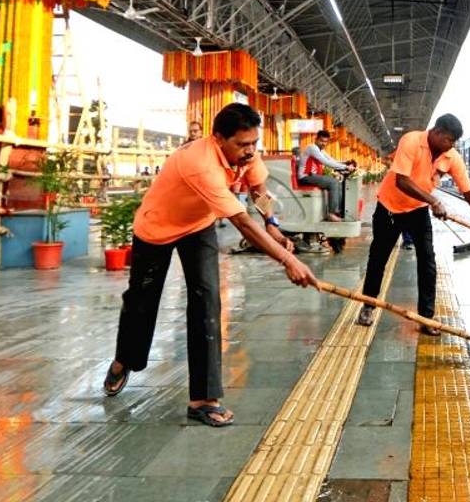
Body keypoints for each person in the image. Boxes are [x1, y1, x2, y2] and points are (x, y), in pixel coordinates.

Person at [101, 103, 317, 426]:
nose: (250, 151)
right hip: (156, 227)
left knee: (207, 300)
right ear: (218, 139)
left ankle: (203, 399)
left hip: (198, 225)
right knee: (141, 304)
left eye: (253, 143)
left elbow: (258, 189)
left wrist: (271, 221)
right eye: (242, 145)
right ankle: (124, 360)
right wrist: (288, 259)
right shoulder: (200, 164)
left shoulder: (247, 153)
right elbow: (242, 224)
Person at [355, 114, 470, 334]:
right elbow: (402, 181)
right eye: (449, 139)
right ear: (437, 132)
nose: (452, 145)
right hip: (389, 208)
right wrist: (433, 201)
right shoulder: (411, 141)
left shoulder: (451, 156)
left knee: (428, 261)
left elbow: (468, 191)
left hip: (417, 211)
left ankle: (426, 317)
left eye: (454, 142)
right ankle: (368, 306)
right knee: (378, 258)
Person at [298, 130, 357, 221]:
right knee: (332, 182)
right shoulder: (312, 148)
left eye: (325, 141)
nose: (323, 143)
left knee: (338, 183)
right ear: (316, 139)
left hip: (313, 176)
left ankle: (339, 211)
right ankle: (331, 213)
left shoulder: (321, 151)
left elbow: (331, 160)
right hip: (306, 176)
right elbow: (325, 162)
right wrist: (345, 167)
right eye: (321, 141)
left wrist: (346, 163)